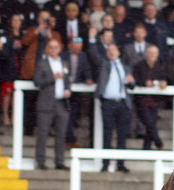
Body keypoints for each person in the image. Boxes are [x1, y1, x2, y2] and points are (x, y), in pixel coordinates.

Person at [95, 43, 133, 172]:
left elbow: (132, 85)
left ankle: (120, 164)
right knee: (108, 134)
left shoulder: (125, 67)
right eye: (109, 50)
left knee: (122, 135)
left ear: (118, 52)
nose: (111, 52)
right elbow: (93, 55)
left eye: (114, 49)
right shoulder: (104, 65)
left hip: (122, 103)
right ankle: (105, 163)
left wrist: (131, 81)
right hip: (108, 103)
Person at [33, 38, 70, 170]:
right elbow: (37, 81)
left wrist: (67, 89)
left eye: (56, 47)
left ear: (60, 49)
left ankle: (59, 161)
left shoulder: (64, 63)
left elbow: (67, 79)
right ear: (47, 49)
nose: (53, 49)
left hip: (61, 102)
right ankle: (40, 161)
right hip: (46, 103)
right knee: (43, 133)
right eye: (51, 47)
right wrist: (52, 78)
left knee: (61, 134)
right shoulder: (42, 63)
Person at [60, 36, 92, 148]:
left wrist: (88, 78)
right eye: (75, 47)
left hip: (77, 92)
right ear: (70, 46)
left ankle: (69, 139)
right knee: (66, 114)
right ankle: (70, 139)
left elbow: (87, 69)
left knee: (73, 115)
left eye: (79, 47)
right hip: (65, 90)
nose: (77, 49)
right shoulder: (63, 55)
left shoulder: (83, 56)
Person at [132, 44, 166, 150]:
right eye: (151, 53)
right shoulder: (139, 65)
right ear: (146, 54)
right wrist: (144, 83)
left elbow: (163, 78)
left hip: (154, 100)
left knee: (151, 125)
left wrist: (164, 82)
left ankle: (146, 148)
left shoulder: (159, 66)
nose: (153, 55)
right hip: (142, 100)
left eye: (155, 53)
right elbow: (135, 80)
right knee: (149, 123)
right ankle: (159, 143)